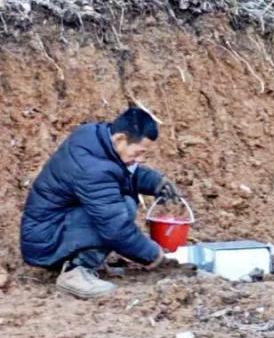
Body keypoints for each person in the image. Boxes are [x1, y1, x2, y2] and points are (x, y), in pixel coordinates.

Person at [20, 107, 180, 299]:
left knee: (121, 206)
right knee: (122, 210)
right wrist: (152, 255)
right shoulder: (91, 168)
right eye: (139, 152)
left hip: (51, 227)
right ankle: (74, 273)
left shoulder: (94, 137)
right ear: (121, 139)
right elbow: (115, 227)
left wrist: (154, 182)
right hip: (46, 239)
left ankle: (82, 262)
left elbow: (117, 173)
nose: (140, 159)